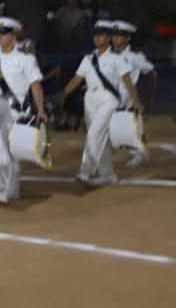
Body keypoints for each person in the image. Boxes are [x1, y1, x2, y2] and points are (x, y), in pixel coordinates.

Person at [56, 20, 142, 186]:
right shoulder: (88, 58)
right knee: (100, 138)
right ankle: (108, 174)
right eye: (95, 35)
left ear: (109, 38)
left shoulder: (117, 59)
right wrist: (64, 93)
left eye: (101, 35)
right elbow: (77, 79)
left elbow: (127, 81)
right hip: (90, 100)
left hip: (108, 99)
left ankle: (85, 171)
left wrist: (136, 100)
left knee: (94, 134)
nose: (96, 38)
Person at [0, 17, 49, 204]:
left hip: (17, 107)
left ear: (14, 35)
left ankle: (4, 189)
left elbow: (35, 86)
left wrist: (40, 109)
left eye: (4, 33)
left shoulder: (25, 59)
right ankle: (12, 183)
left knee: (2, 146)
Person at [110, 20, 157, 166]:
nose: (115, 39)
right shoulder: (109, 54)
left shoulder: (134, 56)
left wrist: (150, 95)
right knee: (112, 128)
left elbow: (151, 73)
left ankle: (141, 153)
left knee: (133, 124)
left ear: (128, 38)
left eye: (119, 36)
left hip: (127, 96)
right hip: (111, 95)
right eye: (113, 36)